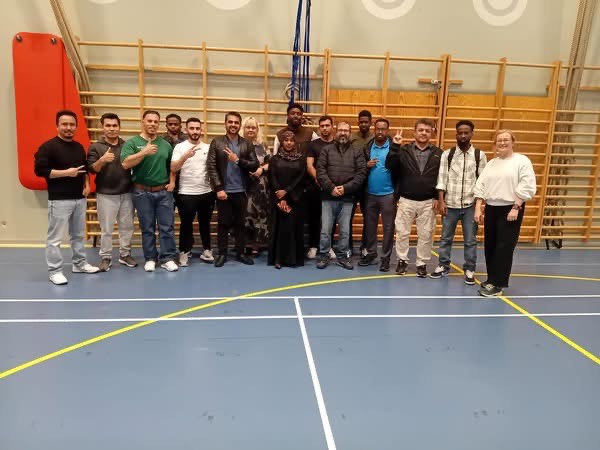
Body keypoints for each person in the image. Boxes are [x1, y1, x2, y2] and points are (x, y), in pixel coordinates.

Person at [34, 109, 99, 285]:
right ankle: (54, 271)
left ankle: (79, 264)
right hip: (59, 200)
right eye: (65, 124)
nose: (68, 128)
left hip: (79, 198)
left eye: (72, 124)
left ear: (76, 126)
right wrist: (66, 173)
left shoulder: (78, 147)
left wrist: (87, 185)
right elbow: (40, 171)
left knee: (77, 235)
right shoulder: (48, 147)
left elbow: (84, 169)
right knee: (55, 238)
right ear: (57, 126)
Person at [474, 130, 536, 297]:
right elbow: (481, 184)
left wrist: (516, 206)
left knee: (504, 247)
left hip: (510, 208)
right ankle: (491, 279)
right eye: (499, 140)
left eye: (506, 140)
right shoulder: (492, 163)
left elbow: (527, 184)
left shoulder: (521, 161)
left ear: (512, 142)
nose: (502, 143)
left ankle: (497, 284)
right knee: (491, 245)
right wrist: (478, 206)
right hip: (492, 208)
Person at [430, 120, 487, 284]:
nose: (463, 135)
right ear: (456, 134)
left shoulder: (479, 155)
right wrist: (441, 201)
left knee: (470, 240)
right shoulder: (447, 154)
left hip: (470, 206)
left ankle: (469, 269)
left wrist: (479, 206)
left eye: (466, 132)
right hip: (450, 205)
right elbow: (442, 179)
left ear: (471, 134)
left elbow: (482, 182)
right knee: (445, 238)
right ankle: (443, 266)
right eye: (460, 132)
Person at [121, 110, 178, 272]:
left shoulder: (165, 145)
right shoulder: (132, 143)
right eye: (149, 121)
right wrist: (144, 152)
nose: (153, 124)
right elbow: (125, 164)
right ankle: (150, 258)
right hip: (142, 192)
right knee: (147, 227)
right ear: (143, 122)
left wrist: (172, 182)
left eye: (155, 121)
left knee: (167, 227)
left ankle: (167, 258)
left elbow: (172, 167)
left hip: (163, 192)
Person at [386, 118, 442, 277]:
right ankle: (402, 261)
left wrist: (437, 197)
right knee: (402, 232)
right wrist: (394, 146)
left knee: (426, 234)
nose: (424, 133)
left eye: (427, 131)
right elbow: (389, 165)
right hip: (406, 199)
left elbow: (441, 177)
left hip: (428, 201)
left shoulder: (439, 153)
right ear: (414, 132)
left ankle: (422, 263)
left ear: (431, 133)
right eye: (421, 130)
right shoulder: (402, 150)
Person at [207, 111, 259, 267]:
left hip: (241, 191)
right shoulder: (216, 142)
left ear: (239, 125)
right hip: (224, 191)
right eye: (230, 122)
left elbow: (254, 165)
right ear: (225, 123)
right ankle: (222, 254)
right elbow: (211, 166)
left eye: (236, 122)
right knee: (223, 224)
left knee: (240, 224)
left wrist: (237, 160)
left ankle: (240, 253)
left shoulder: (246, 143)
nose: (233, 125)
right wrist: (218, 188)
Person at [87, 112, 137, 272]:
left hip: (126, 193)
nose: (111, 128)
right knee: (107, 229)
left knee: (127, 227)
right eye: (108, 125)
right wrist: (101, 160)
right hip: (106, 194)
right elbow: (92, 169)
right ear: (103, 127)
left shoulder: (126, 145)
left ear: (119, 127)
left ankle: (125, 254)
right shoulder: (96, 147)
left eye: (114, 125)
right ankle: (106, 256)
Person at [316, 122, 367, 270]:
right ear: (335, 131)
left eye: (346, 130)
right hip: (328, 197)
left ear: (350, 133)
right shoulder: (326, 150)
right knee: (325, 230)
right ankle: (324, 255)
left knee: (345, 231)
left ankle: (342, 257)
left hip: (347, 198)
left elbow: (361, 173)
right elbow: (320, 171)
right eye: (340, 130)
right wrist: (331, 188)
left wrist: (346, 188)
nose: (343, 133)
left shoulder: (357, 151)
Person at [170, 117, 215, 266]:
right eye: (192, 128)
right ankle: (184, 252)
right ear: (186, 130)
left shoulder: (208, 147)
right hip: (186, 193)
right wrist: (185, 156)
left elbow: (214, 169)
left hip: (206, 192)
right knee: (186, 224)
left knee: (205, 223)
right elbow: (173, 168)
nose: (195, 131)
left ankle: (207, 250)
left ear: (201, 130)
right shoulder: (180, 147)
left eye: (197, 128)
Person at [358, 118, 396, 272]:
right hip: (370, 194)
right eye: (378, 129)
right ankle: (371, 253)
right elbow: (359, 168)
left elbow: (400, 168)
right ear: (374, 129)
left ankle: (385, 258)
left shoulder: (394, 147)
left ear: (387, 130)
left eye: (383, 129)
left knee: (388, 228)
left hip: (388, 194)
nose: (380, 132)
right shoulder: (367, 147)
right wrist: (366, 165)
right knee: (370, 227)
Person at [268, 131, 306, 269]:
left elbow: (301, 178)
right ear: (282, 142)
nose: (289, 143)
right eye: (286, 140)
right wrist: (281, 196)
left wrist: (287, 191)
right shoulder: (274, 159)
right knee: (280, 230)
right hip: (278, 199)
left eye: (291, 140)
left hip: (295, 199)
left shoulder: (301, 159)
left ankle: (293, 259)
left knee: (293, 229)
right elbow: (272, 177)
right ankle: (278, 259)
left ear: (295, 142)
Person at [305, 115, 335, 259]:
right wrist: (320, 179)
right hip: (315, 187)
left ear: (332, 126)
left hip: (332, 188)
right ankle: (313, 246)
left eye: (327, 125)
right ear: (319, 128)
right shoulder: (313, 145)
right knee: (314, 218)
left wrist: (330, 184)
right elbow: (309, 165)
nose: (325, 128)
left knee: (330, 219)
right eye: (322, 126)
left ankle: (328, 246)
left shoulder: (337, 144)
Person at [242, 116, 271, 254]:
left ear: (257, 129)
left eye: (253, 127)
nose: (251, 130)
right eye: (248, 127)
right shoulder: (238, 144)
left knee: (259, 214)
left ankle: (256, 244)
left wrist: (261, 169)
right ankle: (243, 244)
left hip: (260, 185)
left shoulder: (262, 145)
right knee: (244, 214)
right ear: (243, 128)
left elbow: (270, 162)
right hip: (242, 184)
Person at [350, 109, 373, 256]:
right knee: (348, 216)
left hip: (369, 183)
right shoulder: (351, 138)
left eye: (366, 122)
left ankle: (365, 246)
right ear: (358, 122)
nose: (364, 124)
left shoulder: (375, 138)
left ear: (370, 123)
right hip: (353, 182)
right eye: (361, 122)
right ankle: (348, 246)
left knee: (368, 217)